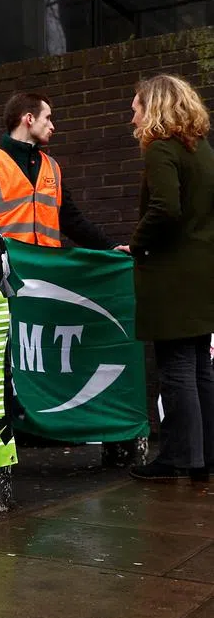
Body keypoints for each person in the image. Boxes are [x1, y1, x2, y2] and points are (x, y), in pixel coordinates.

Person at [125, 74, 214, 482]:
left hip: (172, 275)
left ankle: (179, 457)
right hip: (202, 273)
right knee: (199, 368)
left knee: (176, 368)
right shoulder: (203, 152)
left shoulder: (160, 149)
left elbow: (165, 208)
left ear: (155, 107)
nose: (133, 118)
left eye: (136, 108)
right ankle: (204, 456)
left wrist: (137, 244)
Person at [0, 93, 120, 249]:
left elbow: (72, 221)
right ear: (29, 119)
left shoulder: (52, 167)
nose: (52, 126)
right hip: (5, 271)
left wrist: (111, 247)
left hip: (45, 271)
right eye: (47, 118)